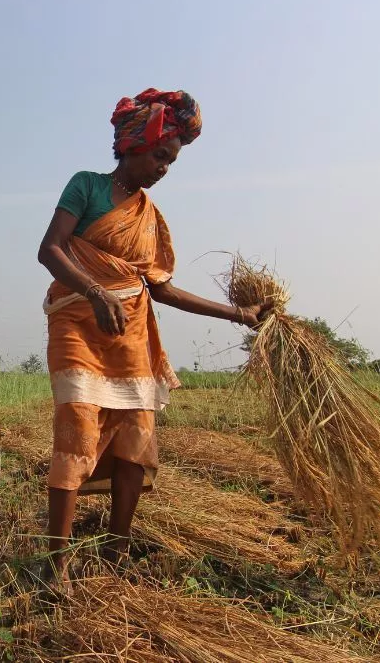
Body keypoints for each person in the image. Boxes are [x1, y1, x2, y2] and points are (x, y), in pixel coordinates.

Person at [36, 88, 273, 589]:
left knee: (132, 440)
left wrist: (239, 315)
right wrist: (96, 292)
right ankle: (55, 565)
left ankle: (117, 551)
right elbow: (51, 250)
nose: (164, 168)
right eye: (161, 155)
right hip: (78, 326)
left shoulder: (150, 216)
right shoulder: (86, 186)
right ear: (133, 144)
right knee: (77, 432)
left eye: (172, 160)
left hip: (131, 336)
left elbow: (160, 287)